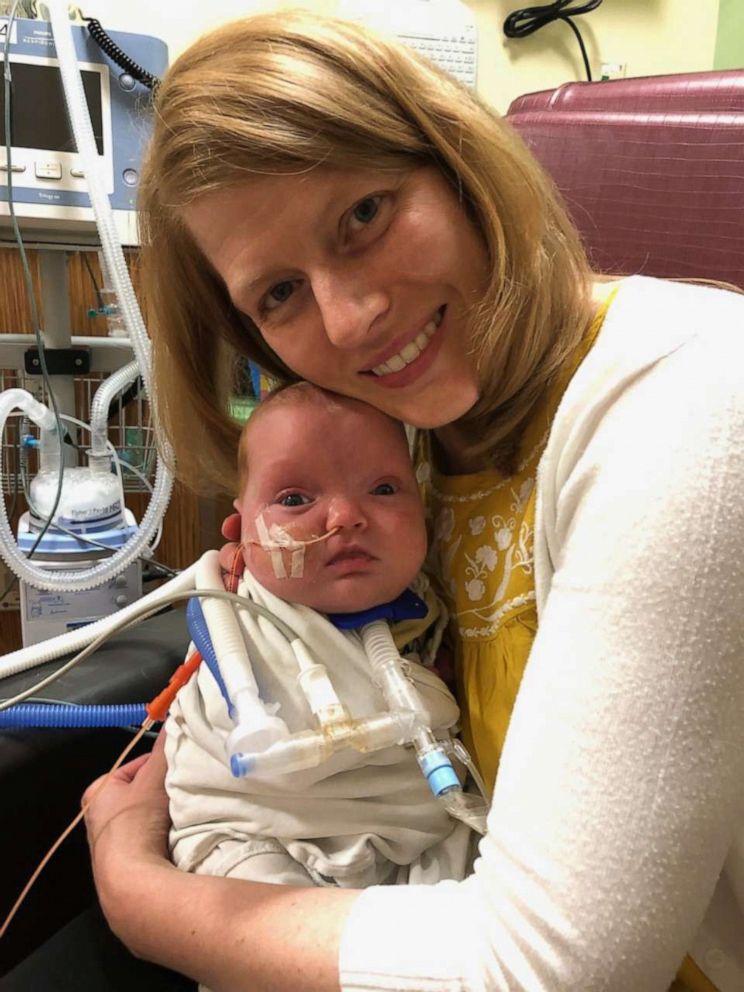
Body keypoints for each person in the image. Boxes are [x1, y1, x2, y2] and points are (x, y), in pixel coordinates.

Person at [5, 9, 743, 992]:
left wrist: (140, 891)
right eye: (278, 294)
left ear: (456, 158)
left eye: (362, 214)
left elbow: (555, 969)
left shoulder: (690, 404)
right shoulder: (415, 430)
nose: (350, 320)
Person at [164, 382, 477, 896]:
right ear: (240, 527)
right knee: (248, 902)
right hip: (257, 830)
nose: (345, 517)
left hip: (418, 827)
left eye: (383, 489)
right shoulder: (236, 618)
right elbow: (208, 738)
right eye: (294, 499)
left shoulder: (431, 603)